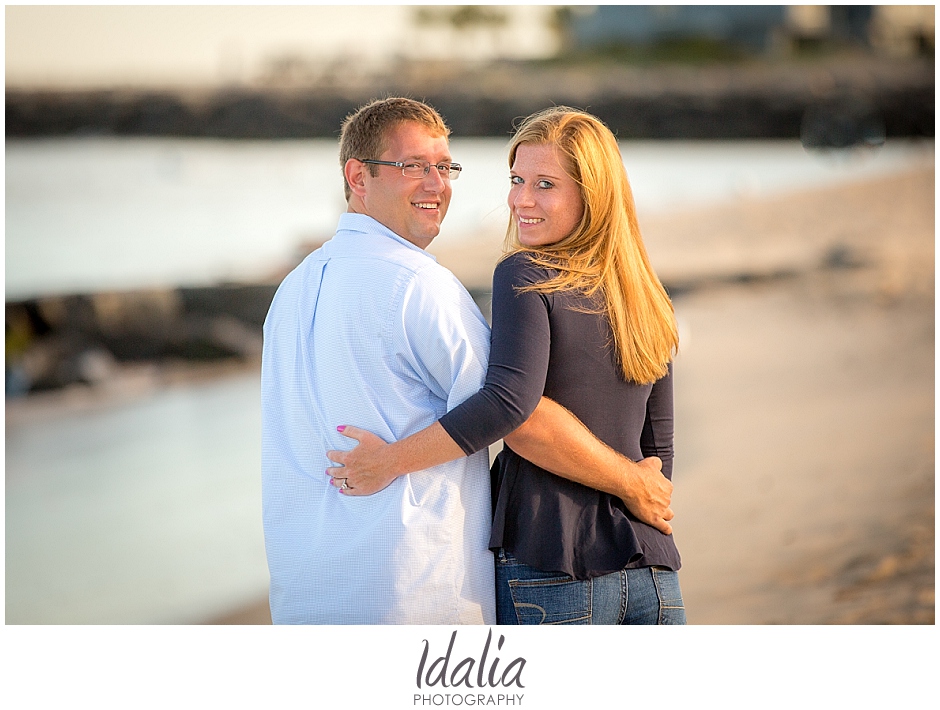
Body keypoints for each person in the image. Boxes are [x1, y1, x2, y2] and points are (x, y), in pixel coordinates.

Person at [261, 98, 673, 624]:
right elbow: (518, 413)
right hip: (414, 590)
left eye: (445, 167)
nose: (438, 185)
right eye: (414, 167)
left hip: (308, 594)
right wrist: (634, 483)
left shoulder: (290, 293)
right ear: (357, 177)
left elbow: (508, 404)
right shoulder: (418, 285)